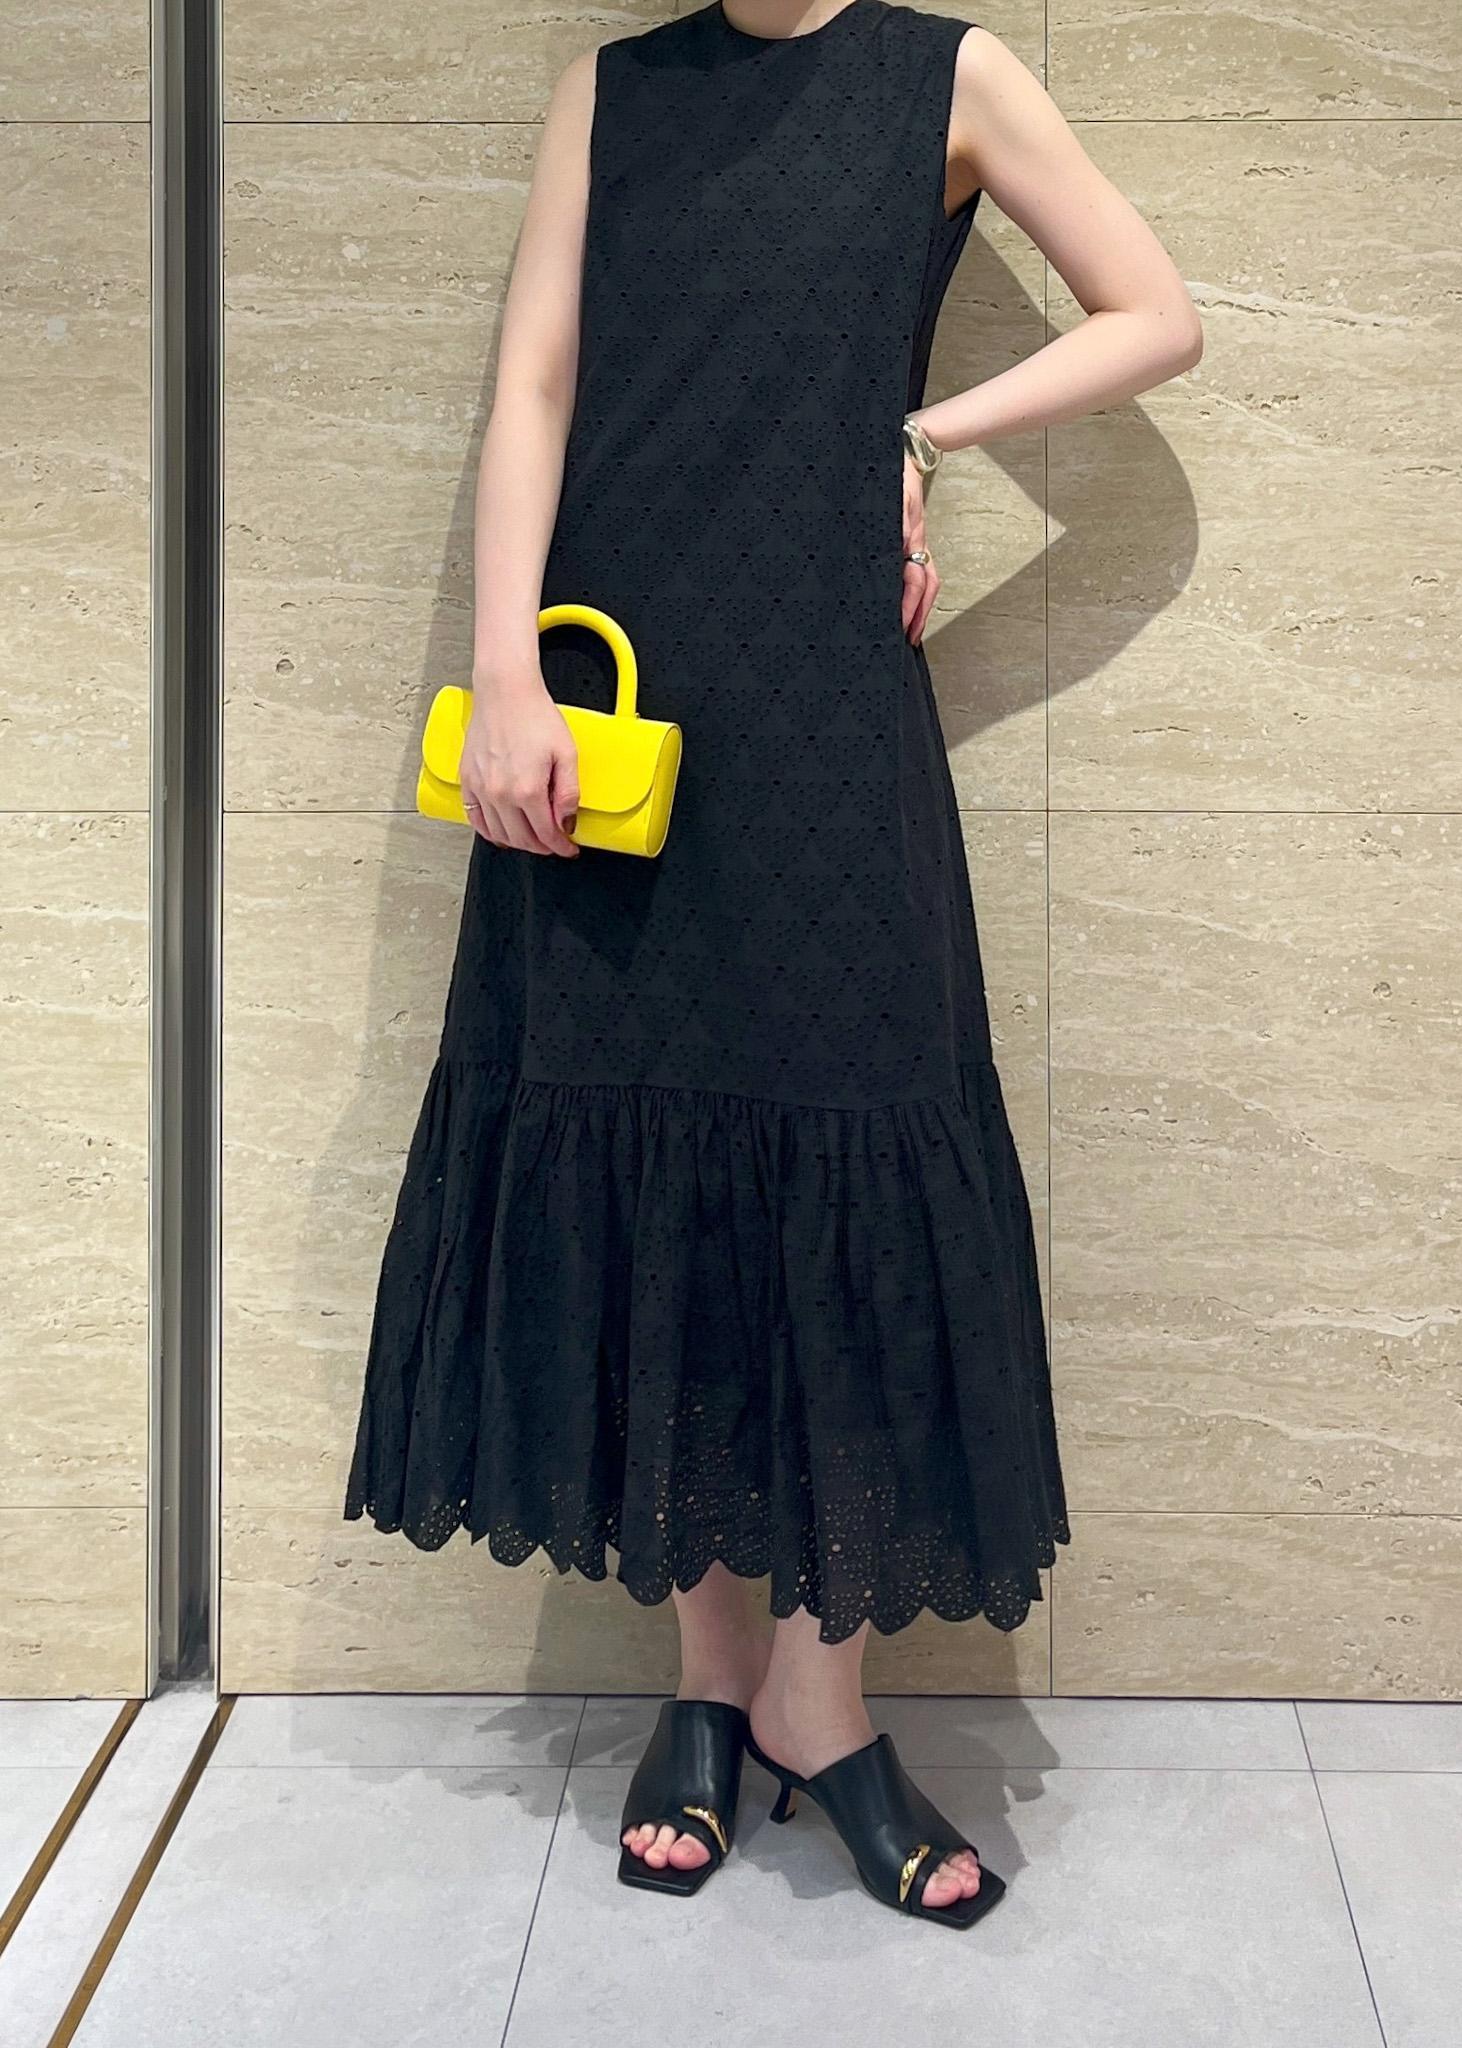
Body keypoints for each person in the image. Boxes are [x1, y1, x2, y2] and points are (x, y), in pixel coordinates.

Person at [345, 0, 1201, 1928]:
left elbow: (1152, 312)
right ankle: (708, 1691)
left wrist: (923, 430)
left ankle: (825, 1708)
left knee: (838, 1154)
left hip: (822, 694)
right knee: (652, 1165)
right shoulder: (612, 89)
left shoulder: (944, 74)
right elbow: (536, 387)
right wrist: (499, 670)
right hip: (616, 700)